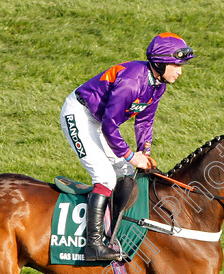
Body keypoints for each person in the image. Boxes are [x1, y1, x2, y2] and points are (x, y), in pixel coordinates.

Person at [60, 32, 195, 261]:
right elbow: (110, 125)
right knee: (104, 176)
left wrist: (145, 154)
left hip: (100, 120)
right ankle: (93, 245)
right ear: (161, 63)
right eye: (176, 65)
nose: (180, 71)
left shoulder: (158, 84)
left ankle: (114, 234)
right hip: (80, 114)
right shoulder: (132, 82)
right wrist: (131, 155)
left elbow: (144, 121)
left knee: (125, 172)